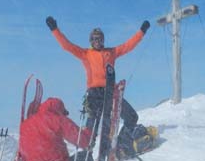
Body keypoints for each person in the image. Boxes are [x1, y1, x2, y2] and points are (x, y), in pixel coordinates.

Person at [45, 16, 149, 147]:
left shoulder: (111, 52)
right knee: (91, 131)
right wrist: (55, 29)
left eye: (99, 38)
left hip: (111, 93)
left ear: (103, 40)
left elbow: (128, 45)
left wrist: (142, 31)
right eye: (94, 38)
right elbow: (67, 46)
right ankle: (86, 155)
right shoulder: (85, 54)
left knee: (132, 117)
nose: (97, 41)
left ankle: (122, 143)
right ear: (90, 40)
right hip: (94, 95)